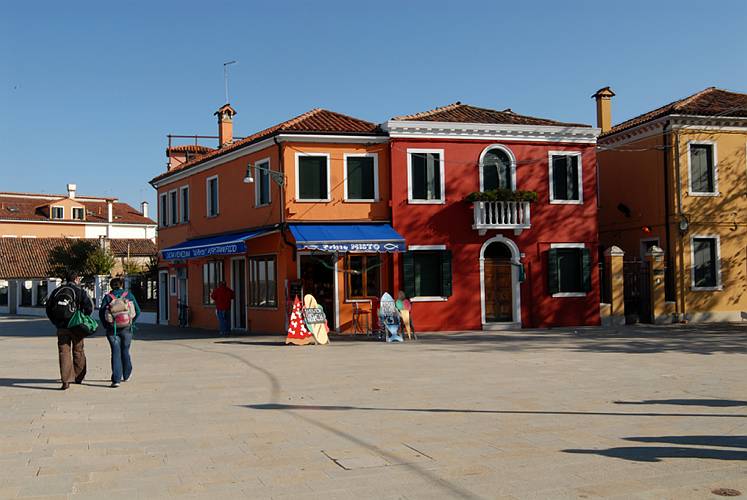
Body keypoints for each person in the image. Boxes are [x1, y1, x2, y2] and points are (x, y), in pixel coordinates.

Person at [46, 271, 94, 390]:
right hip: (76, 326)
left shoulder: (57, 291)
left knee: (64, 352)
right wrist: (82, 317)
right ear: (77, 279)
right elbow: (89, 307)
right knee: (78, 350)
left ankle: (66, 380)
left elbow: (48, 308)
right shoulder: (79, 291)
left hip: (61, 327)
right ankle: (78, 377)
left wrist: (56, 322)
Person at [99, 277, 140, 388]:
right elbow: (138, 311)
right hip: (127, 329)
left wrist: (107, 326)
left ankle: (116, 379)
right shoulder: (129, 295)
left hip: (113, 330)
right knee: (125, 350)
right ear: (122, 285)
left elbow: (102, 313)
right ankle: (126, 375)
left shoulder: (108, 297)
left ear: (111, 286)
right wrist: (131, 322)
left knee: (115, 352)